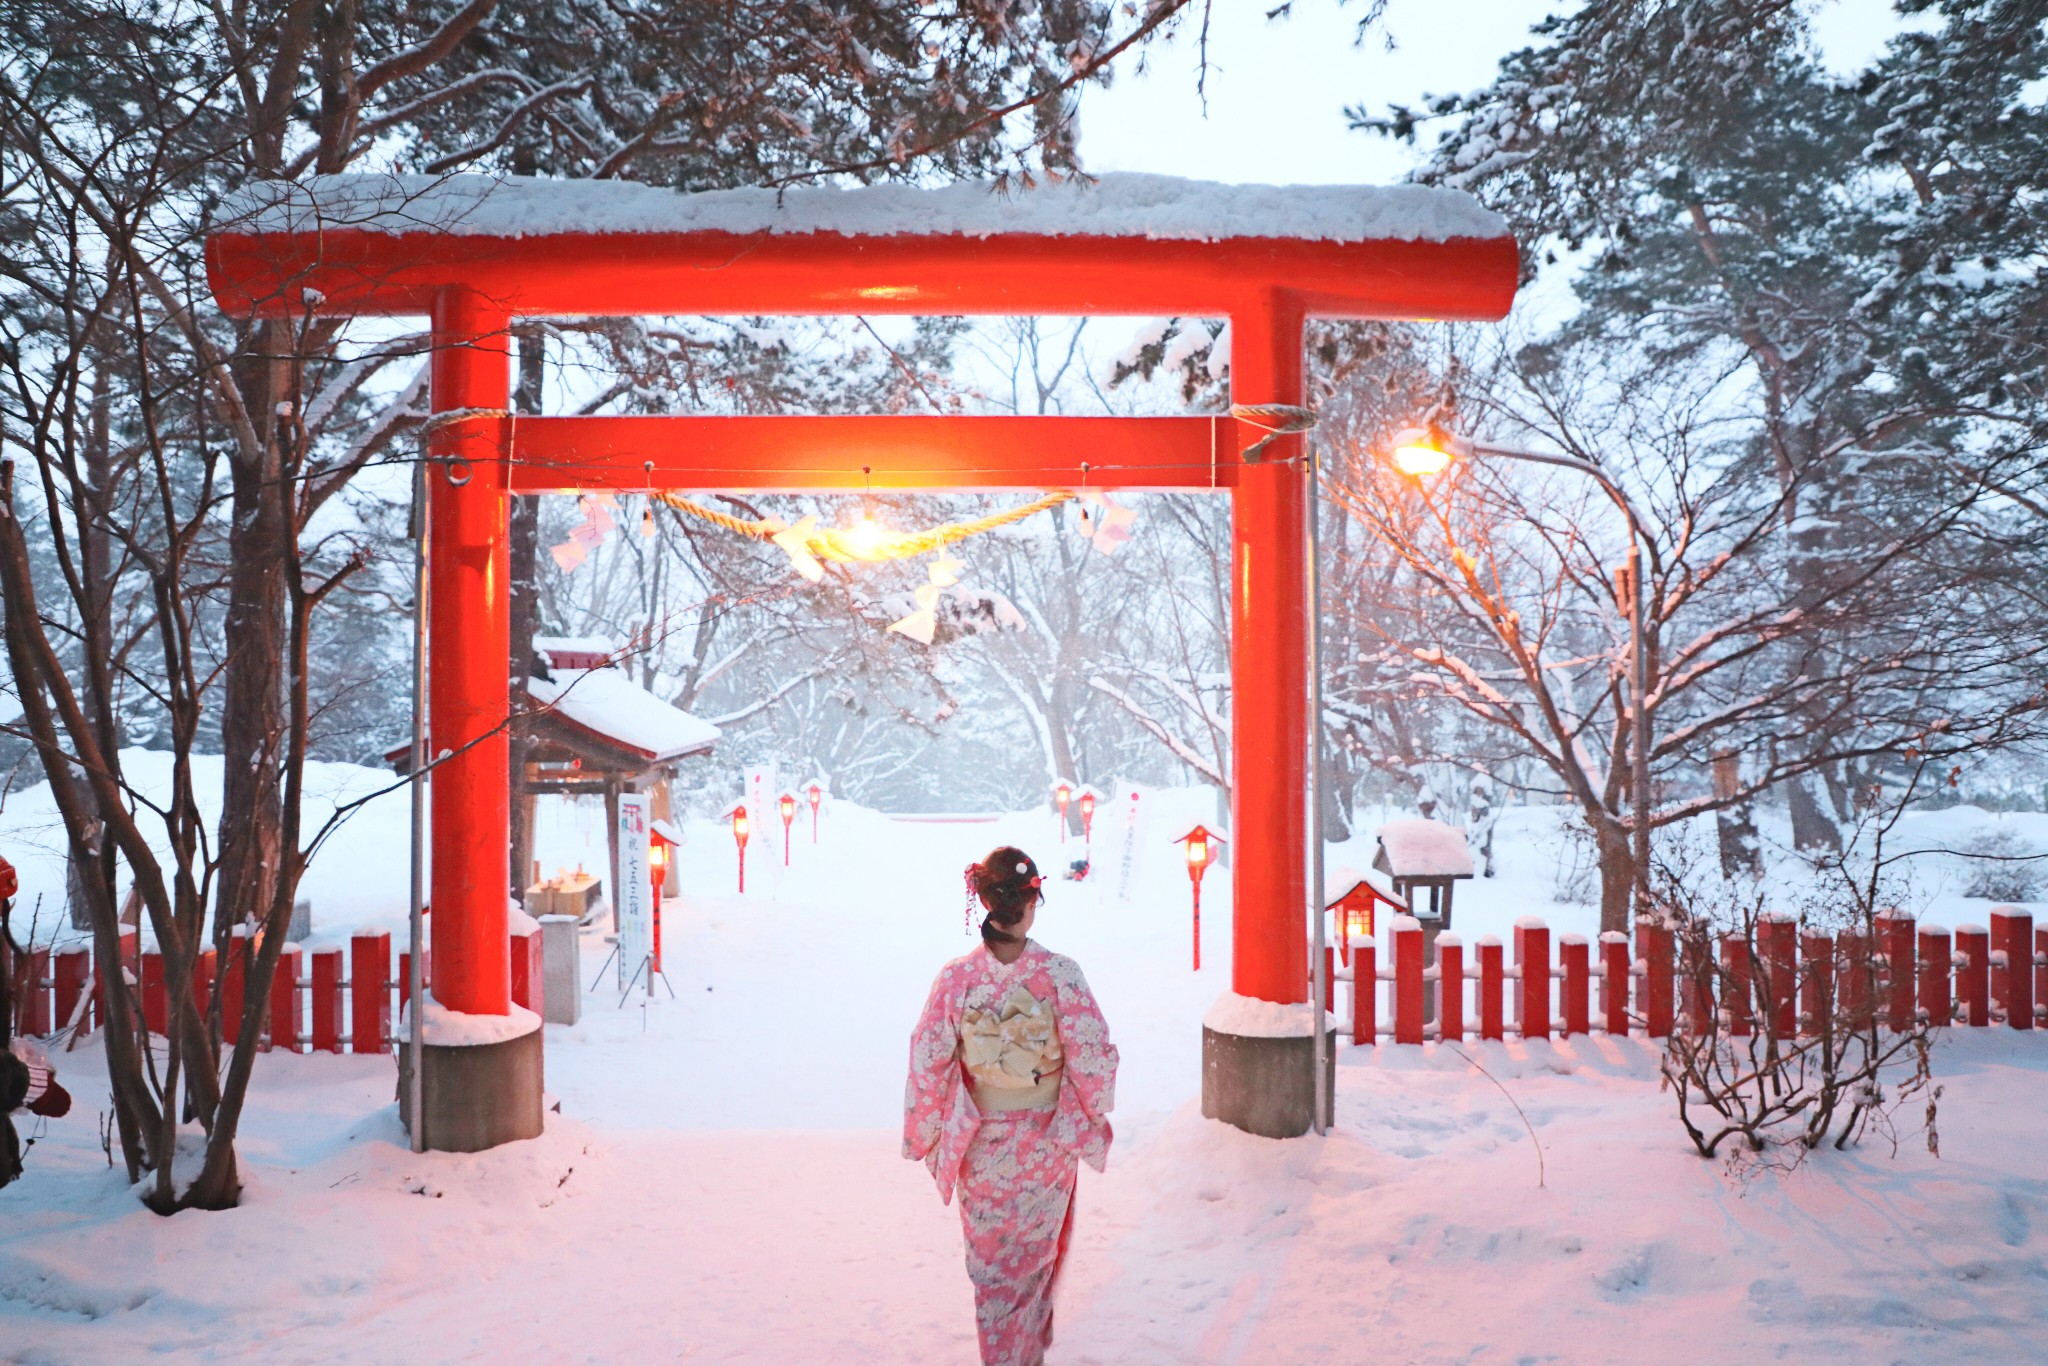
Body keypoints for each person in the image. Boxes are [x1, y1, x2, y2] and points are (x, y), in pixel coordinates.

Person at [903, 845, 1119, 1366]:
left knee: (994, 1273)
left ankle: (1007, 1353)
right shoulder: (1061, 974)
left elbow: (928, 1059)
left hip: (980, 1148)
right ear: (1029, 903)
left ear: (983, 902)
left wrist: (926, 1134)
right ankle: (1023, 1352)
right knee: (1032, 1264)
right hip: (1046, 1143)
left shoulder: (955, 979)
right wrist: (1084, 1115)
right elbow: (1094, 1058)